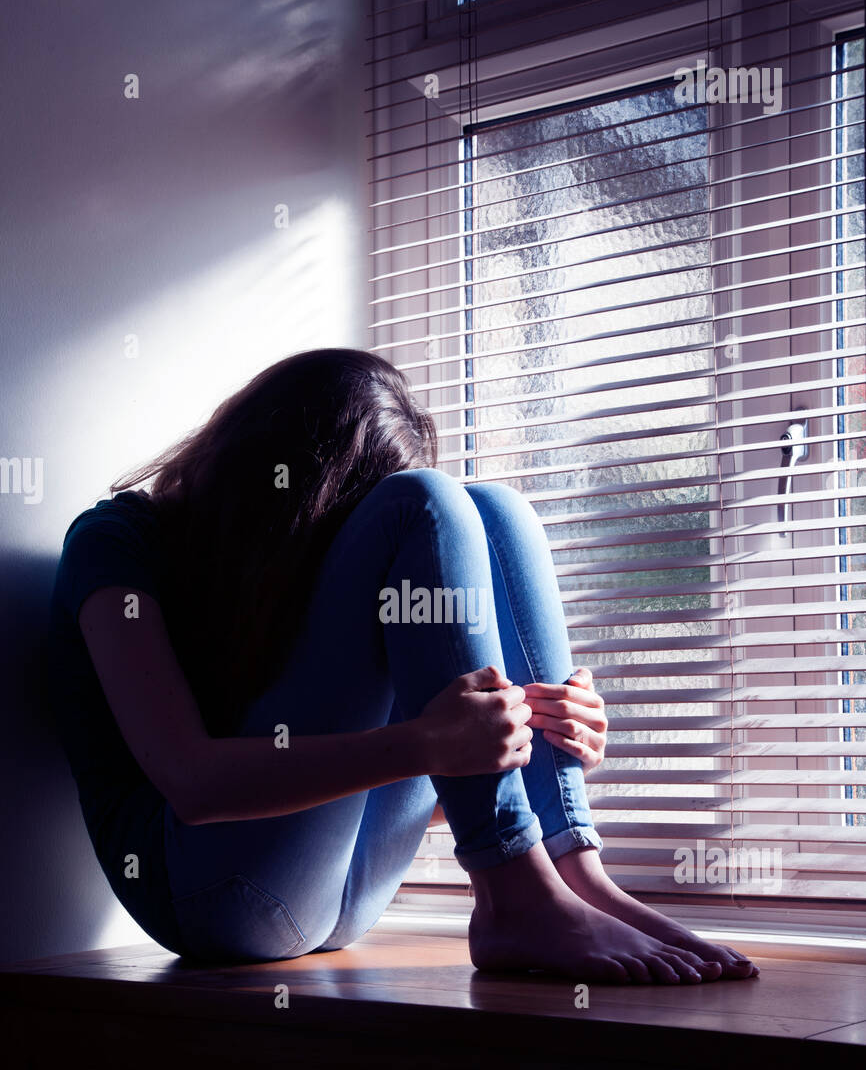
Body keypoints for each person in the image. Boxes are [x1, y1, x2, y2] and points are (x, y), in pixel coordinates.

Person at [48, 348, 758, 984]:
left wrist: (538, 737)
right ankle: (513, 888)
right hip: (205, 894)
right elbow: (193, 783)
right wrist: (427, 743)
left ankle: (573, 871)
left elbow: (362, 782)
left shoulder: (285, 577)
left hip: (334, 888)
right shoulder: (115, 543)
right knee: (426, 504)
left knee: (495, 511)